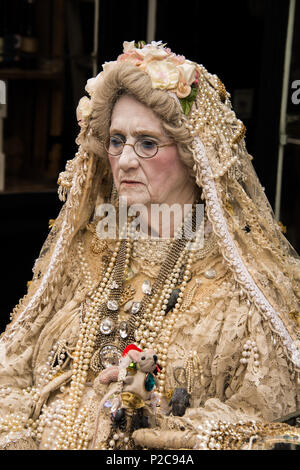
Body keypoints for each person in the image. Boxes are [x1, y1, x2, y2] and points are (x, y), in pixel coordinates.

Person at [0, 40, 299, 451]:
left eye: (147, 143)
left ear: (196, 157)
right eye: (117, 141)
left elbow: (267, 425)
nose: (124, 161)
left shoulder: (242, 288)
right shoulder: (83, 252)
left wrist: (158, 419)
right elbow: (10, 373)